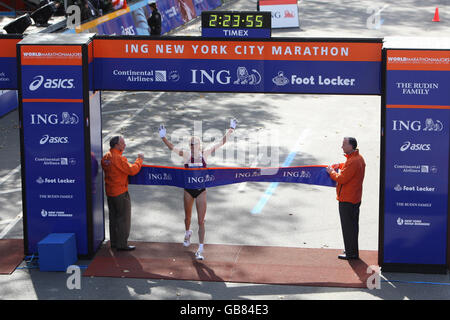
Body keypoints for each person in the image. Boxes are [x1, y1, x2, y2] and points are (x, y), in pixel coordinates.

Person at [159, 119, 237, 260]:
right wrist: (163, 136)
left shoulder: (205, 153)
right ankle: (188, 232)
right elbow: (171, 147)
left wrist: (231, 129)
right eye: (191, 144)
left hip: (201, 190)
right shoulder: (186, 155)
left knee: (201, 220)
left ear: (200, 145)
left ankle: (200, 249)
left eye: (195, 143)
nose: (193, 145)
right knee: (187, 217)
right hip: (188, 190)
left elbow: (221, 142)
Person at [101, 136, 144, 251]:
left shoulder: (106, 157)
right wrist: (139, 160)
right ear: (116, 145)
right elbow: (132, 170)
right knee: (123, 218)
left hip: (110, 191)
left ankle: (114, 242)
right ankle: (122, 244)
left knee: (113, 217)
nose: (124, 145)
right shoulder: (118, 158)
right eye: (122, 144)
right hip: (120, 192)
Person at [326, 137, 366, 260]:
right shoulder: (357, 159)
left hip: (347, 199)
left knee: (348, 227)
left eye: (344, 144)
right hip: (354, 197)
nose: (342, 147)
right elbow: (349, 168)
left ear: (351, 146)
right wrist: (341, 165)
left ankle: (351, 253)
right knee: (353, 226)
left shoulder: (353, 161)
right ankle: (351, 249)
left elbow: (342, 178)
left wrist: (331, 172)